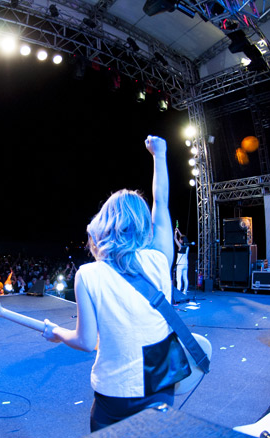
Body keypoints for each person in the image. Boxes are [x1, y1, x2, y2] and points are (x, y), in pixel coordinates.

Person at [42, 135, 177, 432]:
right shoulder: (159, 259)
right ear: (143, 223)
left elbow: (85, 342)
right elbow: (162, 202)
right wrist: (160, 155)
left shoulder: (89, 275)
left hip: (116, 391)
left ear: (106, 221)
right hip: (160, 384)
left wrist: (57, 333)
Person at [174, 227, 189, 293]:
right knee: (185, 278)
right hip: (185, 264)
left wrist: (175, 232)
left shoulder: (180, 246)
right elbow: (183, 238)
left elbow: (175, 238)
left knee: (178, 279)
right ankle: (185, 291)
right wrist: (178, 231)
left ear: (182, 241)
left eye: (180, 239)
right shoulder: (187, 246)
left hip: (180, 264)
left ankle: (178, 292)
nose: (179, 240)